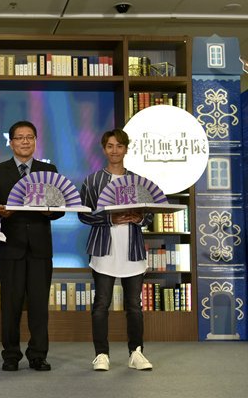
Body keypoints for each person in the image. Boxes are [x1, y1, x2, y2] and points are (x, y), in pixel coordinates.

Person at [0, 120, 64, 372]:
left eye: (30, 137)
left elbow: (60, 209)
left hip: (40, 248)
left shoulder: (48, 170)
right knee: (11, 304)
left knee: (39, 305)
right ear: (10, 142)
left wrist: (49, 211)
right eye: (19, 137)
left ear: (36, 141)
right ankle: (10, 355)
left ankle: (38, 355)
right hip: (11, 247)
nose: (25, 141)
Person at [78, 128, 153, 372]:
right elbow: (83, 215)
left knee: (134, 305)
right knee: (101, 304)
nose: (115, 150)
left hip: (132, 250)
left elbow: (149, 216)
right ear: (104, 149)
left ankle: (136, 352)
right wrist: (110, 219)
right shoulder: (92, 181)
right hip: (104, 250)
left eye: (119, 146)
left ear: (126, 149)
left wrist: (138, 218)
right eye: (110, 146)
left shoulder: (138, 181)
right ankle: (101, 354)